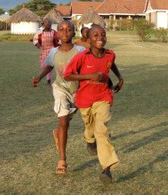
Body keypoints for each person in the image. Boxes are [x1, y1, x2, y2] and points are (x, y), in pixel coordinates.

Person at [63, 25, 124, 185]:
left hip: (103, 97)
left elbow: (112, 64)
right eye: (95, 35)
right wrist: (90, 75)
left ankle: (107, 169)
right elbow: (67, 75)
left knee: (101, 131)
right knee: (89, 125)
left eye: (103, 34)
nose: (100, 38)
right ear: (88, 40)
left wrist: (119, 77)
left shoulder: (110, 54)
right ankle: (89, 139)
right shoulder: (82, 57)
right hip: (85, 99)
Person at [32, 20, 85, 174]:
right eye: (61, 29)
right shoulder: (53, 52)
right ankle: (62, 159)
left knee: (66, 120)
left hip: (78, 91)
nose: (64, 32)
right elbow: (49, 65)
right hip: (60, 89)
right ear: (57, 33)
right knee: (63, 120)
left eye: (69, 29)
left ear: (74, 33)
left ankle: (58, 132)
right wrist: (39, 78)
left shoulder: (81, 50)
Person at [33, 18, 60, 85]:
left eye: (49, 23)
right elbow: (35, 39)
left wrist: (57, 41)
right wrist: (37, 44)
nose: (48, 24)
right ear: (43, 24)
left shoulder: (53, 32)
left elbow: (59, 40)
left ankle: (49, 80)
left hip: (52, 50)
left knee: (49, 65)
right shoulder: (40, 32)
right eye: (46, 23)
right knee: (43, 66)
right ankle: (45, 76)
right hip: (44, 50)